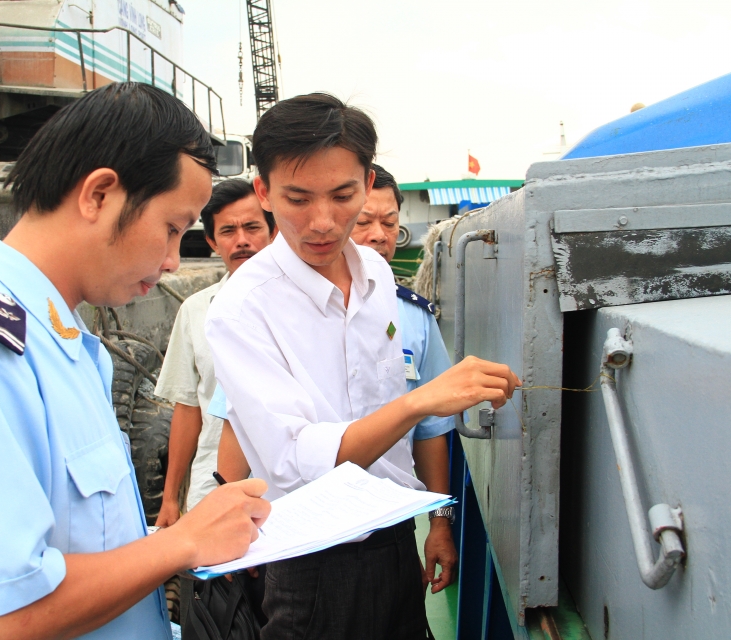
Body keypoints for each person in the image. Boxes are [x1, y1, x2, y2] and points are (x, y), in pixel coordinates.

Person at [0, 83, 270, 640]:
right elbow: (5, 617)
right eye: (171, 227)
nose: (171, 261)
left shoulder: (62, 341)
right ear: (99, 195)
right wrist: (183, 541)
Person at [205, 93, 519, 639]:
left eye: (344, 195)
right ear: (264, 191)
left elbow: (391, 421)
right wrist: (422, 399)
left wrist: (435, 521)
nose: (323, 222)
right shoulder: (242, 308)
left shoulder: (374, 273)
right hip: (313, 563)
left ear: (367, 182)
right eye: (298, 198)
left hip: (395, 540)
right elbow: (295, 459)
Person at [347, 162, 458, 593]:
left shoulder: (415, 318)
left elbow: (432, 429)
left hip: (391, 525)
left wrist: (440, 524)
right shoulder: (286, 312)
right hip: (306, 527)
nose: (379, 234)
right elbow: (238, 425)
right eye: (364, 222)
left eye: (390, 223)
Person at [155, 179, 277, 529]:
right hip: (212, 492)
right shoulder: (196, 311)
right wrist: (169, 497)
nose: (242, 240)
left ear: (273, 230)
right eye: (228, 230)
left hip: (283, 491)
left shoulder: (300, 308)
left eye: (252, 227)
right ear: (211, 241)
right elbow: (188, 408)